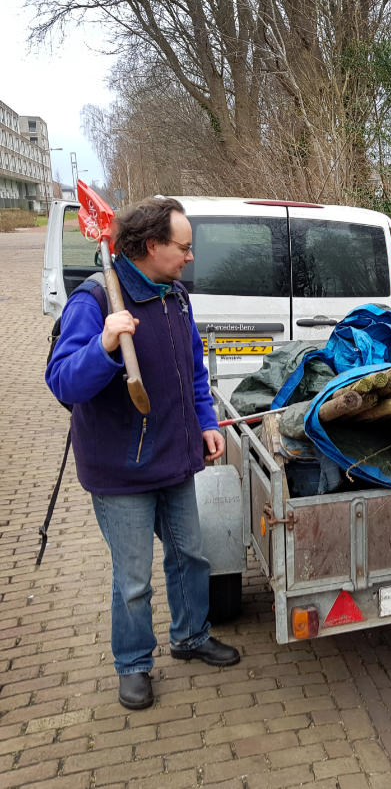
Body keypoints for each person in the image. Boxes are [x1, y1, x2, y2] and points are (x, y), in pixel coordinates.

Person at [46, 196, 240, 710]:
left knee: (191, 556)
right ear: (151, 246)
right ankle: (133, 664)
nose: (190, 258)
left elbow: (194, 370)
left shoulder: (174, 294)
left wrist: (205, 422)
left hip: (174, 457)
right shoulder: (93, 302)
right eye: (184, 247)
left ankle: (192, 636)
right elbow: (64, 382)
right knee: (133, 580)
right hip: (121, 470)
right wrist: (105, 346)